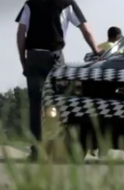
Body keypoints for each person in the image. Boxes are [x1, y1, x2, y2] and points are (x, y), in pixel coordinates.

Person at [15, 0, 102, 160]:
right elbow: (85, 30)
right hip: (54, 58)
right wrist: (95, 50)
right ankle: (60, 146)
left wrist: (23, 61)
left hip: (34, 57)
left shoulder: (31, 3)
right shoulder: (67, 3)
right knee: (60, 102)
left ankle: (37, 149)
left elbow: (21, 33)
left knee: (36, 105)